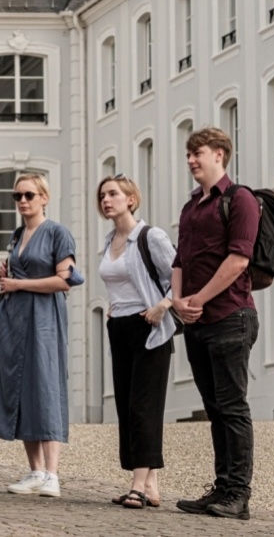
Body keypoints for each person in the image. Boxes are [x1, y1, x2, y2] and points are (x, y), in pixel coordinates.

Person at [171, 128, 259, 520]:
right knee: (213, 407)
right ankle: (221, 488)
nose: (191, 160)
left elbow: (239, 260)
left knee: (232, 407)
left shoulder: (240, 200)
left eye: (198, 153)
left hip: (230, 317)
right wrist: (177, 301)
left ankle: (238, 494)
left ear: (220, 155)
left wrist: (198, 299)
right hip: (196, 321)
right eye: (188, 154)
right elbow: (179, 261)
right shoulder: (191, 207)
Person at [0, 173, 81, 498]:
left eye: (29, 195)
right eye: (17, 196)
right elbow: (17, 274)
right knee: (19, 386)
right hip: (14, 319)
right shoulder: (17, 235)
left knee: (45, 385)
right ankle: (35, 470)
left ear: (44, 197)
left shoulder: (57, 232)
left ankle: (53, 474)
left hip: (44, 319)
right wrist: (7, 276)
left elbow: (65, 280)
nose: (23, 201)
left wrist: (20, 284)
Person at [95, 174, 177, 509]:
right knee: (128, 407)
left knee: (145, 406)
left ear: (131, 199)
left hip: (150, 327)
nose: (106, 199)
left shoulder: (150, 236)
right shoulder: (109, 239)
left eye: (113, 193)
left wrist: (163, 305)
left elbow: (180, 275)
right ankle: (151, 486)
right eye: (102, 195)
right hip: (119, 327)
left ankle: (138, 486)